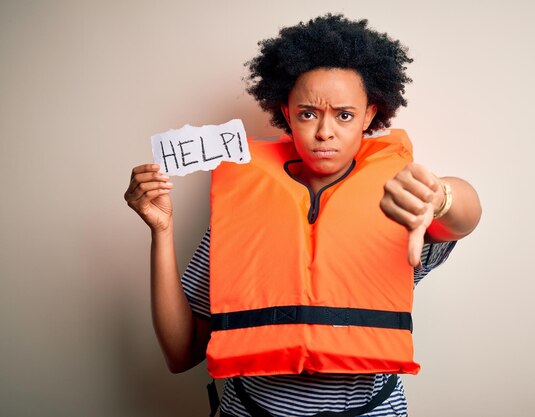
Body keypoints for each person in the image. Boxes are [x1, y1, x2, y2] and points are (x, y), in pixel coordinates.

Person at [124, 14, 481, 417]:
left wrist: (442, 197)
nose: (325, 131)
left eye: (344, 115)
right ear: (287, 113)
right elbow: (180, 352)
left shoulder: (403, 202)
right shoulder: (241, 212)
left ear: (369, 115)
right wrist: (162, 231)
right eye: (308, 113)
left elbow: (464, 218)